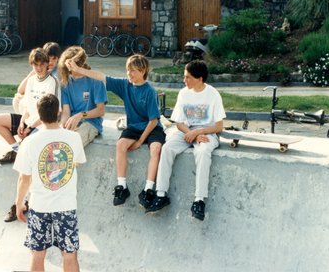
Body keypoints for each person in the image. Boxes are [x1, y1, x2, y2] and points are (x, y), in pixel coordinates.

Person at [66, 54, 165, 208]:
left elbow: (153, 120)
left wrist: (140, 141)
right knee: (120, 145)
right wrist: (78, 69)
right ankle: (122, 187)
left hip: (152, 128)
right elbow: (101, 77)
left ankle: (148, 189)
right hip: (133, 127)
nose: (129, 74)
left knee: (156, 149)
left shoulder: (149, 91)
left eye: (133, 71)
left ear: (143, 70)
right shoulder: (125, 85)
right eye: (127, 70)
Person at [145, 60, 226, 221]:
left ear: (200, 78)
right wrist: (191, 133)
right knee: (167, 148)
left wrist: (199, 131)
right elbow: (179, 122)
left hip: (207, 133)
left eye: (188, 77)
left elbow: (219, 126)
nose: (184, 81)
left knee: (203, 153)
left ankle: (199, 200)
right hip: (186, 132)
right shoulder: (184, 93)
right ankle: (161, 194)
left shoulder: (213, 94)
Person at [14, 93, 86, 272]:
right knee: (69, 254)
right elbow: (75, 162)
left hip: (39, 207)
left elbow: (24, 178)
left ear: (39, 115)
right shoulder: (74, 138)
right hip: (66, 206)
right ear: (59, 113)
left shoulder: (29, 142)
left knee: (37, 253)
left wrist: (19, 204)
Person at [0, 47, 61, 166]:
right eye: (35, 65)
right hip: (28, 121)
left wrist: (29, 128)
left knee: (29, 154)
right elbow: (28, 107)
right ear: (32, 65)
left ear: (46, 64)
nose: (39, 68)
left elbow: (49, 113)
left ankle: (21, 152)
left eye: (41, 64)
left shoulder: (52, 81)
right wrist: (21, 123)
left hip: (42, 124)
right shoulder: (31, 80)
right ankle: (17, 150)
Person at [59, 46, 107, 147]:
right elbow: (66, 112)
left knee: (73, 144)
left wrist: (81, 115)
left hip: (91, 122)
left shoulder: (96, 81)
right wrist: (62, 127)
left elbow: (101, 111)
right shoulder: (65, 83)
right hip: (73, 122)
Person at [12, 41, 61, 114]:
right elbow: (20, 90)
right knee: (17, 99)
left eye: (54, 58)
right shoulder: (39, 68)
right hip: (38, 98)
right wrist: (34, 71)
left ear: (58, 58)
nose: (50, 62)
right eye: (48, 58)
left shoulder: (58, 73)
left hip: (51, 104)